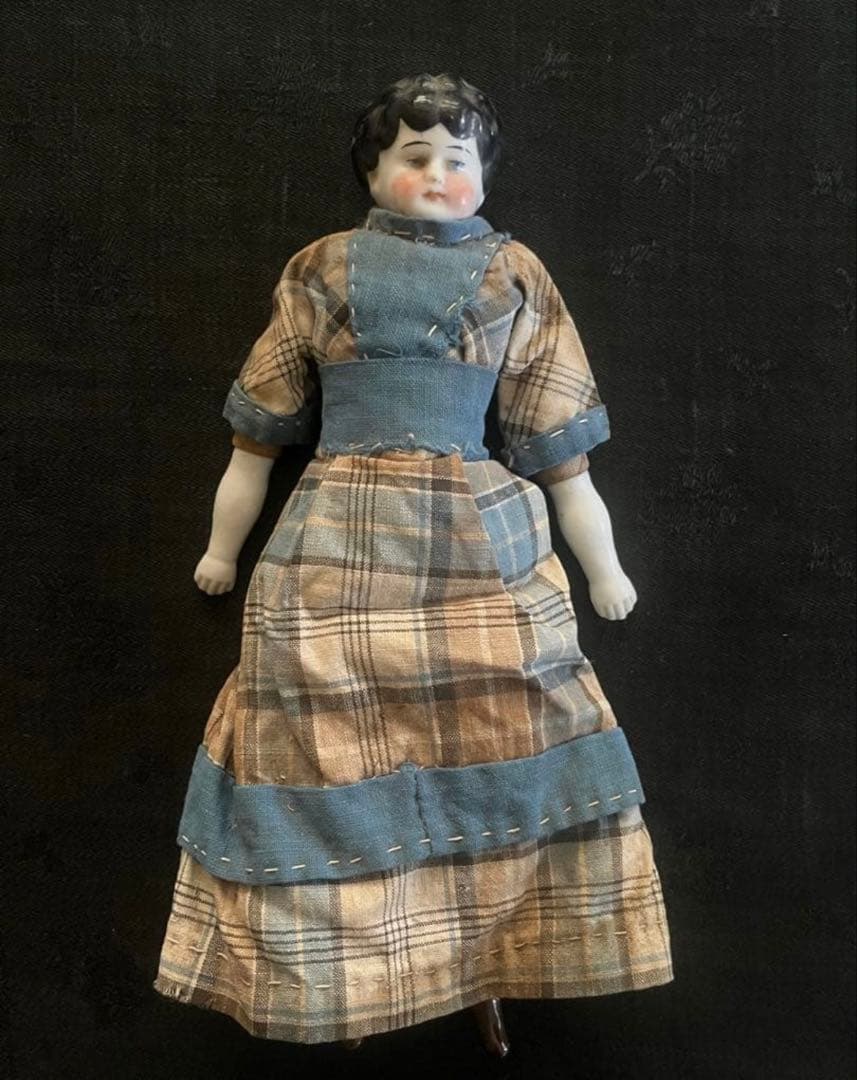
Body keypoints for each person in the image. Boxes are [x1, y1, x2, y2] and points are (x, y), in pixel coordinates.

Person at [153, 73, 673, 1056]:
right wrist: (222, 549)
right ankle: (347, 975)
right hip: (333, 542)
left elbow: (561, 453)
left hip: (478, 539)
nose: (435, 175)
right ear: (372, 170)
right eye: (412, 156)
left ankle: (489, 959)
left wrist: (600, 566)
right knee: (320, 729)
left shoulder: (513, 271)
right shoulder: (319, 268)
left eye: (455, 159)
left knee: (505, 715)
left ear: (484, 176)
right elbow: (256, 439)